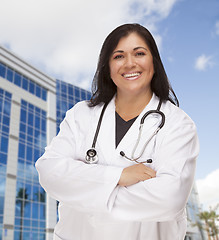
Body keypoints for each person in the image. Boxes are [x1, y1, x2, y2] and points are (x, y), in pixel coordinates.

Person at [35, 23, 199, 240]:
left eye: (139, 53)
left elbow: (169, 198)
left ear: (154, 62)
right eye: (119, 56)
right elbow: (50, 172)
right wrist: (118, 176)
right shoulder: (81, 115)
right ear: (108, 67)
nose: (130, 64)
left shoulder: (178, 124)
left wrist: (83, 188)